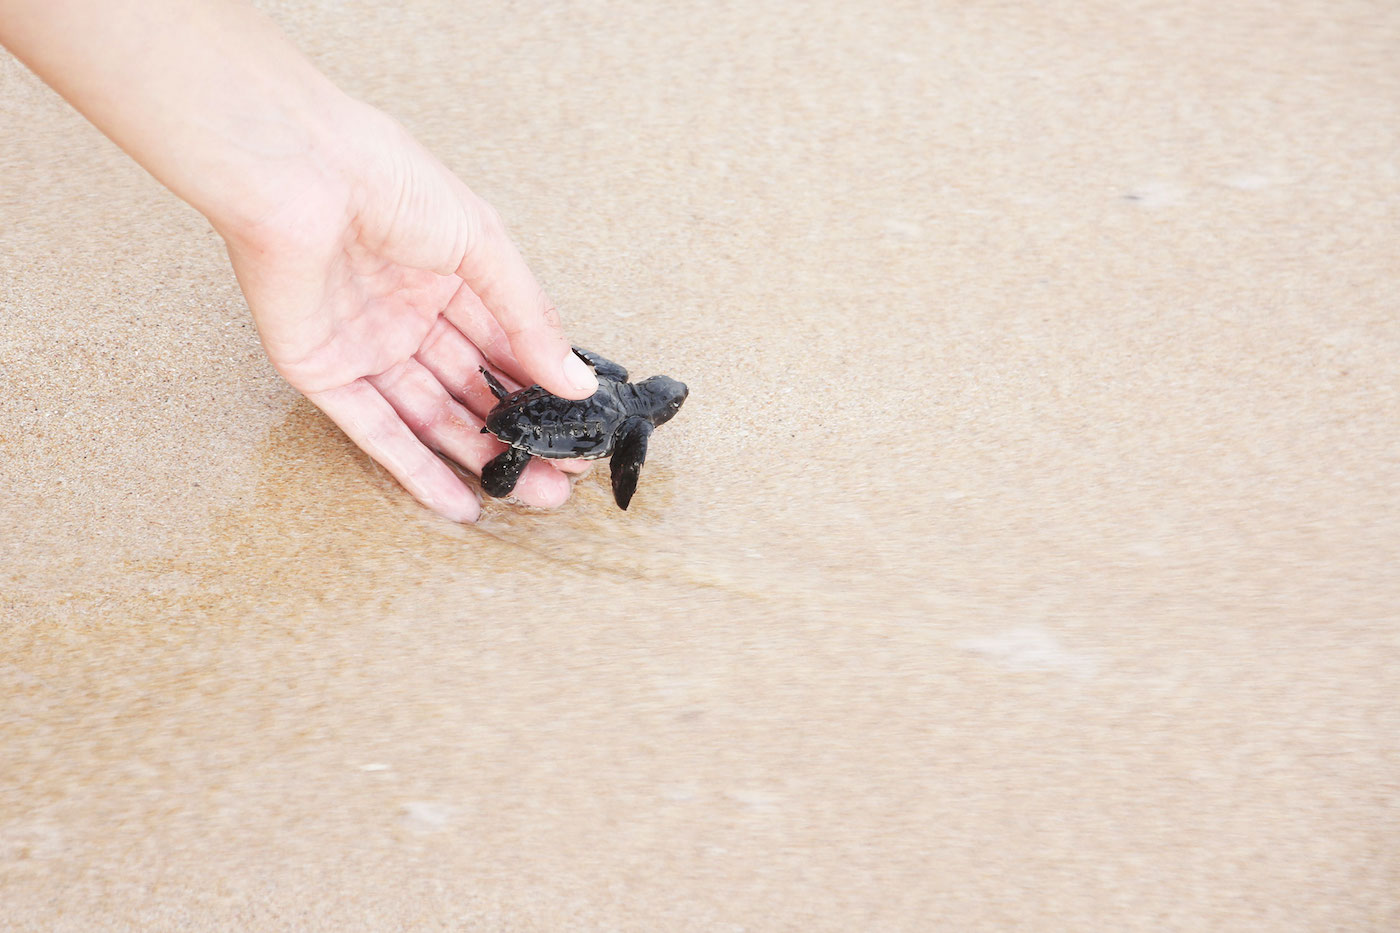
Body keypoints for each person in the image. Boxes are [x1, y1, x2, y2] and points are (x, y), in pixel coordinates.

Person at [0, 0, 598, 522]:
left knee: (512, 434)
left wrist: (302, 170)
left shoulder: (608, 385)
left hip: (522, 411)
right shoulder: (624, 407)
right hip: (530, 415)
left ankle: (505, 464)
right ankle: (506, 465)